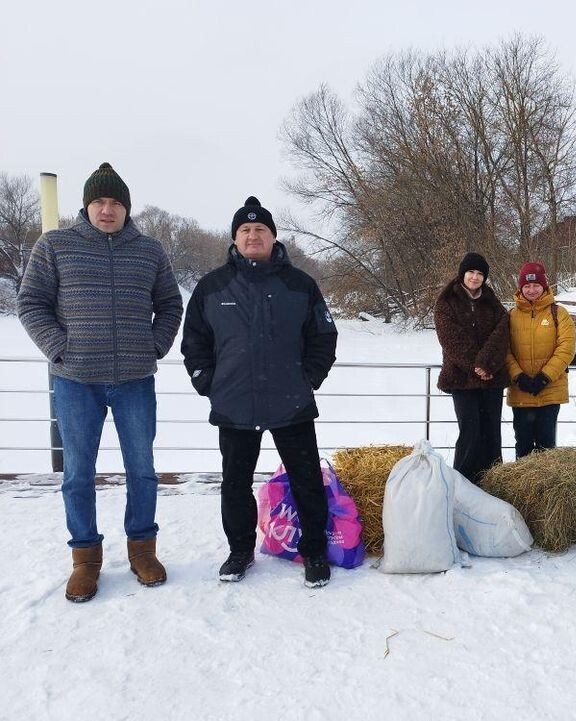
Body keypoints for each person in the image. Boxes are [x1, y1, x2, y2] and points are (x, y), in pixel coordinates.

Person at [17, 162, 183, 602]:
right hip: (76, 381)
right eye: (99, 202)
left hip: (135, 380)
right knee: (77, 473)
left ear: (126, 208)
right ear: (86, 206)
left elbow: (170, 304)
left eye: (115, 203)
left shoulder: (150, 251)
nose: (107, 210)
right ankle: (85, 559)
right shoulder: (56, 245)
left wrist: (154, 345)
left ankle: (142, 550)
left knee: (142, 470)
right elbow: (30, 303)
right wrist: (59, 348)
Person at [181, 196, 337, 588]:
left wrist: (308, 378)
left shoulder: (300, 284)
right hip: (234, 404)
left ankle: (314, 552)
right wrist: (207, 381)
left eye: (260, 229)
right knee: (235, 483)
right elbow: (194, 341)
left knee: (306, 481)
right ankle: (240, 551)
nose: (253, 235)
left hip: (291, 403)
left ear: (273, 236)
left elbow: (323, 336)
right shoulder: (212, 286)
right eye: (245, 230)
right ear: (235, 238)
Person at [434, 252, 510, 482]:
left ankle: (493, 482)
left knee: (491, 432)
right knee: (470, 432)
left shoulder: (492, 302)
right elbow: (451, 339)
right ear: (462, 274)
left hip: (491, 379)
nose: (475, 277)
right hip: (461, 379)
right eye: (471, 272)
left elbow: (502, 333)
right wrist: (476, 366)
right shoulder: (447, 302)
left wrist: (487, 364)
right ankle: (463, 484)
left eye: (479, 273)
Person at [505, 262, 576, 457]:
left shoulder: (559, 313)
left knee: (546, 446)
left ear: (544, 286)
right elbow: (505, 350)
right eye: (527, 286)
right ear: (520, 288)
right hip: (521, 392)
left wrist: (545, 377)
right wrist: (518, 376)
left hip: (550, 390)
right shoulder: (510, 316)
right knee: (523, 445)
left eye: (536, 285)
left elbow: (566, 348)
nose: (531, 290)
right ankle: (521, 478)